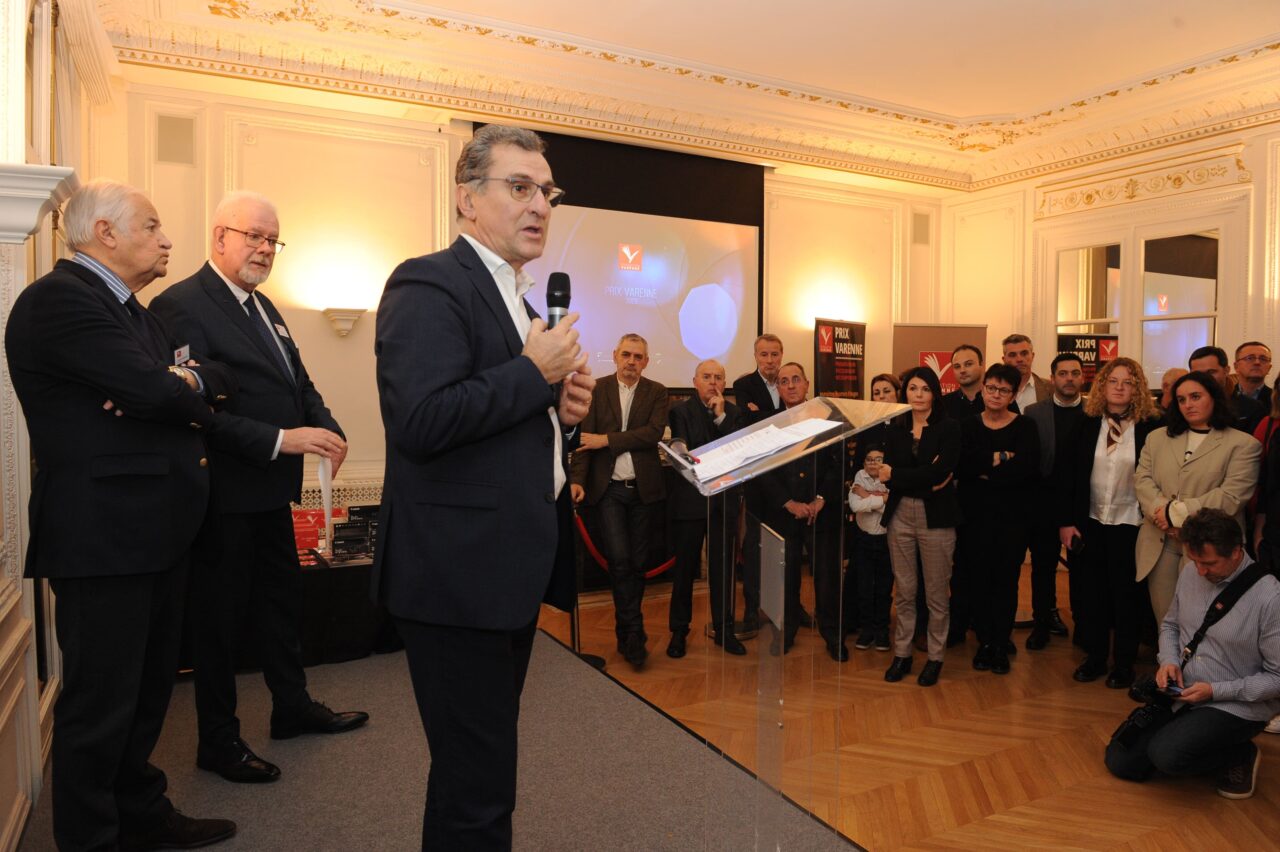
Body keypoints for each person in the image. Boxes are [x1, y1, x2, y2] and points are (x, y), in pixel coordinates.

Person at [372, 124, 595, 850]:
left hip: (502, 574)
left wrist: (561, 415)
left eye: (547, 191)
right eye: (520, 187)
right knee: (480, 789)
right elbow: (423, 421)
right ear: (469, 199)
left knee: (471, 776)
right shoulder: (429, 281)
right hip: (455, 579)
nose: (540, 205)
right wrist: (534, 375)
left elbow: (508, 434)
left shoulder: (522, 302)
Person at [5, 181, 237, 850]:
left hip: (152, 535)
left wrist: (181, 382)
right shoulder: (60, 301)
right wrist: (164, 386)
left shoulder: (135, 313)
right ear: (104, 233)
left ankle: (140, 813)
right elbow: (148, 388)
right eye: (153, 226)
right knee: (100, 709)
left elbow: (212, 381)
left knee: (144, 699)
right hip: (103, 537)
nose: (167, 240)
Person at [150, 191, 368, 784]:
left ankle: (290, 708)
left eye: (273, 240)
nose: (266, 249)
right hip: (220, 496)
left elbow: (298, 380)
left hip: (272, 492)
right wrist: (281, 439)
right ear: (219, 236)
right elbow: (193, 412)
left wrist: (327, 426)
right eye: (254, 237)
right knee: (218, 624)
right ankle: (217, 742)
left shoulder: (264, 306)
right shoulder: (180, 305)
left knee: (281, 607)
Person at [1105, 509, 1280, 800]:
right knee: (1122, 762)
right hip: (1183, 690)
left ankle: (1239, 752)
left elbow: (1277, 678)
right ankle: (1191, 738)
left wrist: (1214, 691)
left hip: (1235, 703)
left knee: (1167, 756)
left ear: (1237, 552)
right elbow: (1171, 625)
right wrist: (1169, 661)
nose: (1200, 571)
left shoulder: (1270, 598)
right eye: (1195, 561)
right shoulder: (1191, 572)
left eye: (1209, 563)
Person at [1058, 358, 1162, 688]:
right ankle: (1096, 657)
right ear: (1102, 386)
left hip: (1132, 525)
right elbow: (1068, 476)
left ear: (1138, 389)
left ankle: (1124, 664)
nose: (1119, 387)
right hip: (1088, 522)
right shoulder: (1085, 423)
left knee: (1126, 597)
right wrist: (1065, 521)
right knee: (1092, 596)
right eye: (1113, 381)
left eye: (1127, 382)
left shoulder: (1151, 427)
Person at [569, 333, 668, 667]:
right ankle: (634, 634)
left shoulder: (657, 392)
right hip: (608, 490)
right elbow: (584, 442)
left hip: (643, 491)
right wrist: (577, 481)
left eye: (638, 357)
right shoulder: (597, 389)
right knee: (621, 560)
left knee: (638, 565)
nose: (631, 361)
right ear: (614, 355)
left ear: (646, 361)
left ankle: (626, 630)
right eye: (626, 355)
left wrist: (606, 440)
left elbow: (651, 434)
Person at [1136, 372, 1261, 622]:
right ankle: (1170, 662)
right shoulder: (1157, 438)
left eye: (1195, 397)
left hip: (1213, 547)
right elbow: (1142, 481)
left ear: (1214, 398)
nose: (1188, 404)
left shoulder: (1243, 444)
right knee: (1166, 620)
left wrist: (1175, 514)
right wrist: (1164, 514)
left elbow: (1231, 495)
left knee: (1204, 623)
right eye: (1181, 399)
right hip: (1160, 543)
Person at [744, 363, 840, 656]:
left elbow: (838, 464)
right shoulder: (768, 425)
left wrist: (820, 499)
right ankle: (785, 634)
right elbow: (763, 470)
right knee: (785, 579)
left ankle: (832, 636)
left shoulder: (828, 419)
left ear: (807, 384)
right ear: (778, 389)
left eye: (795, 379)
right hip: (784, 513)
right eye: (783, 381)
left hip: (821, 513)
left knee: (825, 578)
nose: (790, 385)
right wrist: (789, 503)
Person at [878, 366, 960, 687]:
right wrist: (924, 478)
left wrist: (899, 477)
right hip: (900, 515)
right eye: (913, 389)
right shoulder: (895, 427)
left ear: (935, 393)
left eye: (925, 389)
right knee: (906, 591)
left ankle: (935, 657)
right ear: (905, 393)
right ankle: (902, 654)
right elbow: (890, 472)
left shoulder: (949, 427)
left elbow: (941, 473)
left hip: (936, 517)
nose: (918, 395)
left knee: (937, 594)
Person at [956, 363, 1040, 675]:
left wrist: (985, 469)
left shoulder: (1025, 427)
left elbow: (1026, 470)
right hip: (974, 519)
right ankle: (985, 643)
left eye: (1003, 390)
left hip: (1012, 520)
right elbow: (962, 467)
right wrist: (1002, 457)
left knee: (1005, 582)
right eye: (991, 387)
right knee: (978, 581)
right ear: (983, 388)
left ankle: (1001, 642)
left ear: (1014, 393)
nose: (995, 394)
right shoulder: (967, 425)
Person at [666, 359, 745, 657]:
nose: (713, 382)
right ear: (695, 381)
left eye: (719, 378)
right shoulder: (680, 411)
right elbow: (688, 447)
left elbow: (733, 453)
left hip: (723, 503)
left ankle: (724, 629)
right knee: (684, 570)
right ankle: (679, 632)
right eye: (707, 377)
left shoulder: (734, 414)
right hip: (690, 502)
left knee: (723, 571)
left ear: (725, 384)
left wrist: (721, 417)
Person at [1021, 353, 1086, 650]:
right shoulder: (1034, 412)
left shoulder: (1094, 412)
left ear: (1083, 377)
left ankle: (1084, 627)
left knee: (1083, 570)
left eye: (1075, 373)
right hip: (1043, 504)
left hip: (1083, 505)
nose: (1069, 378)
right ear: (1052, 379)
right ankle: (1042, 624)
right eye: (1063, 373)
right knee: (1043, 569)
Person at [849, 446, 891, 652]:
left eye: (878, 459)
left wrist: (867, 495)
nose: (873, 463)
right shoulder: (859, 475)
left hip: (887, 541)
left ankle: (882, 630)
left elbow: (893, 505)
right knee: (864, 587)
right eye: (869, 459)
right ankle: (867, 630)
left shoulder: (891, 477)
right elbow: (856, 506)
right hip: (864, 540)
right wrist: (882, 497)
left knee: (884, 589)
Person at [1188, 345, 1265, 435]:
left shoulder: (1252, 408)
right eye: (1198, 374)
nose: (1205, 378)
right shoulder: (1183, 406)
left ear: (1226, 371)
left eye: (1211, 372)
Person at [732, 333, 785, 424]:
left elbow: (802, 408)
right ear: (755, 357)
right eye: (764, 355)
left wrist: (759, 414)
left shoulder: (789, 381)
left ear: (781, 355)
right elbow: (748, 421)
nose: (770, 360)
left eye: (774, 354)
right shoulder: (743, 385)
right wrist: (788, 412)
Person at [1001, 333, 1052, 414]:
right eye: (1012, 355)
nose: (1019, 359)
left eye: (1024, 353)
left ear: (1032, 356)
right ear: (1004, 360)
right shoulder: (993, 389)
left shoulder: (1050, 388)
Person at [942, 344, 985, 420]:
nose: (962, 370)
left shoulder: (995, 401)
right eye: (957, 366)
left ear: (981, 365)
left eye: (968, 364)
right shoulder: (942, 404)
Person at [1232, 341, 1272, 412]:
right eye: (1250, 358)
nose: (1257, 362)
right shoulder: (1224, 398)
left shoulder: (1276, 399)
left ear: (1269, 368)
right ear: (1236, 366)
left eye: (1263, 359)